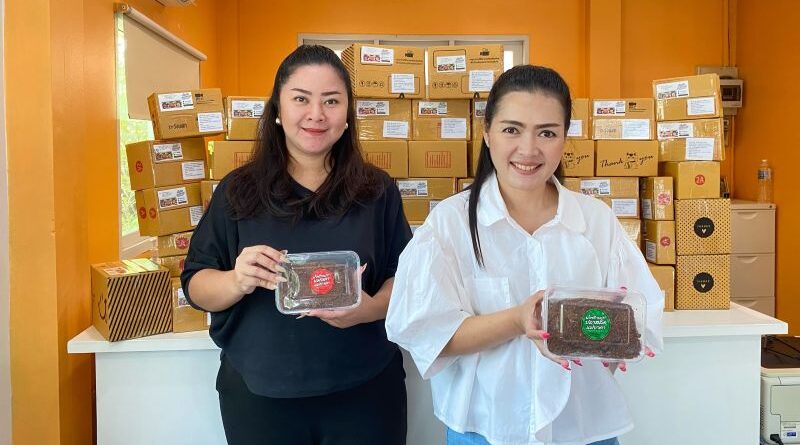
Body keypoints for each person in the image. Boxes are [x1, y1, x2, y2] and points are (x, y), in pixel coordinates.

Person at [386, 65, 663, 445]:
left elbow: (639, 315)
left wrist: (619, 337)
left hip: (582, 427)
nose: (529, 150)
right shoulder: (449, 224)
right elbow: (426, 331)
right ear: (487, 133)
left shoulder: (596, 221)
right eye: (511, 130)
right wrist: (517, 320)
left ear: (564, 138)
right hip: (486, 428)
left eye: (547, 133)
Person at [181, 45, 411, 445]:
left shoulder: (377, 191)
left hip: (367, 393)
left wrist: (369, 309)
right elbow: (196, 285)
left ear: (348, 113)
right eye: (301, 99)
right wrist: (237, 280)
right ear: (277, 109)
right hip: (261, 399)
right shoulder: (238, 191)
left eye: (331, 101)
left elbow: (406, 278)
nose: (316, 114)